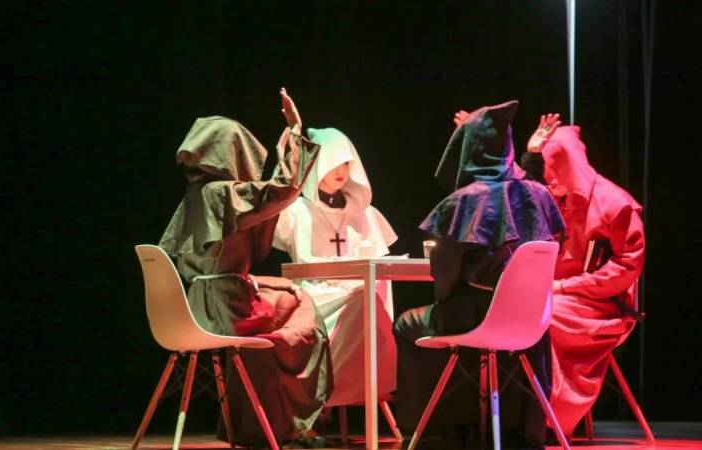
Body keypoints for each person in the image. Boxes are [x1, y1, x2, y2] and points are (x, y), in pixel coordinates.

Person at [158, 89, 332, 447]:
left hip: (194, 309)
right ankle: (296, 422)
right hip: (230, 308)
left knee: (282, 296)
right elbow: (283, 190)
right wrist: (295, 132)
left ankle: (257, 418)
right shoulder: (224, 193)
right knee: (305, 309)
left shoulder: (193, 195)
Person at [394, 100, 565, 449]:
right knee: (476, 324)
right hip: (533, 320)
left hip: (478, 316)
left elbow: (444, 277)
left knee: (407, 324)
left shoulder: (465, 201)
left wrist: (447, 296)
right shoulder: (537, 193)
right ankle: (518, 432)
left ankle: (437, 433)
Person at [522, 116, 646, 437]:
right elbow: (515, 192)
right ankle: (522, 416)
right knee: (516, 314)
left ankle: (550, 418)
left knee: (543, 316)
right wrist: (531, 153)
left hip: (603, 304)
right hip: (557, 295)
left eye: (554, 166)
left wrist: (565, 286)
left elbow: (627, 266)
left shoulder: (615, 203)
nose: (550, 177)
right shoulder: (553, 199)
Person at [273, 127, 398, 408]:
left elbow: (380, 259)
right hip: (315, 296)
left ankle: (368, 385)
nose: (342, 171)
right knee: (361, 304)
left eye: (346, 164)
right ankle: (323, 394)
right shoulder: (297, 210)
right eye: (334, 163)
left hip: (359, 292)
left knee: (368, 301)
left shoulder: (365, 213)